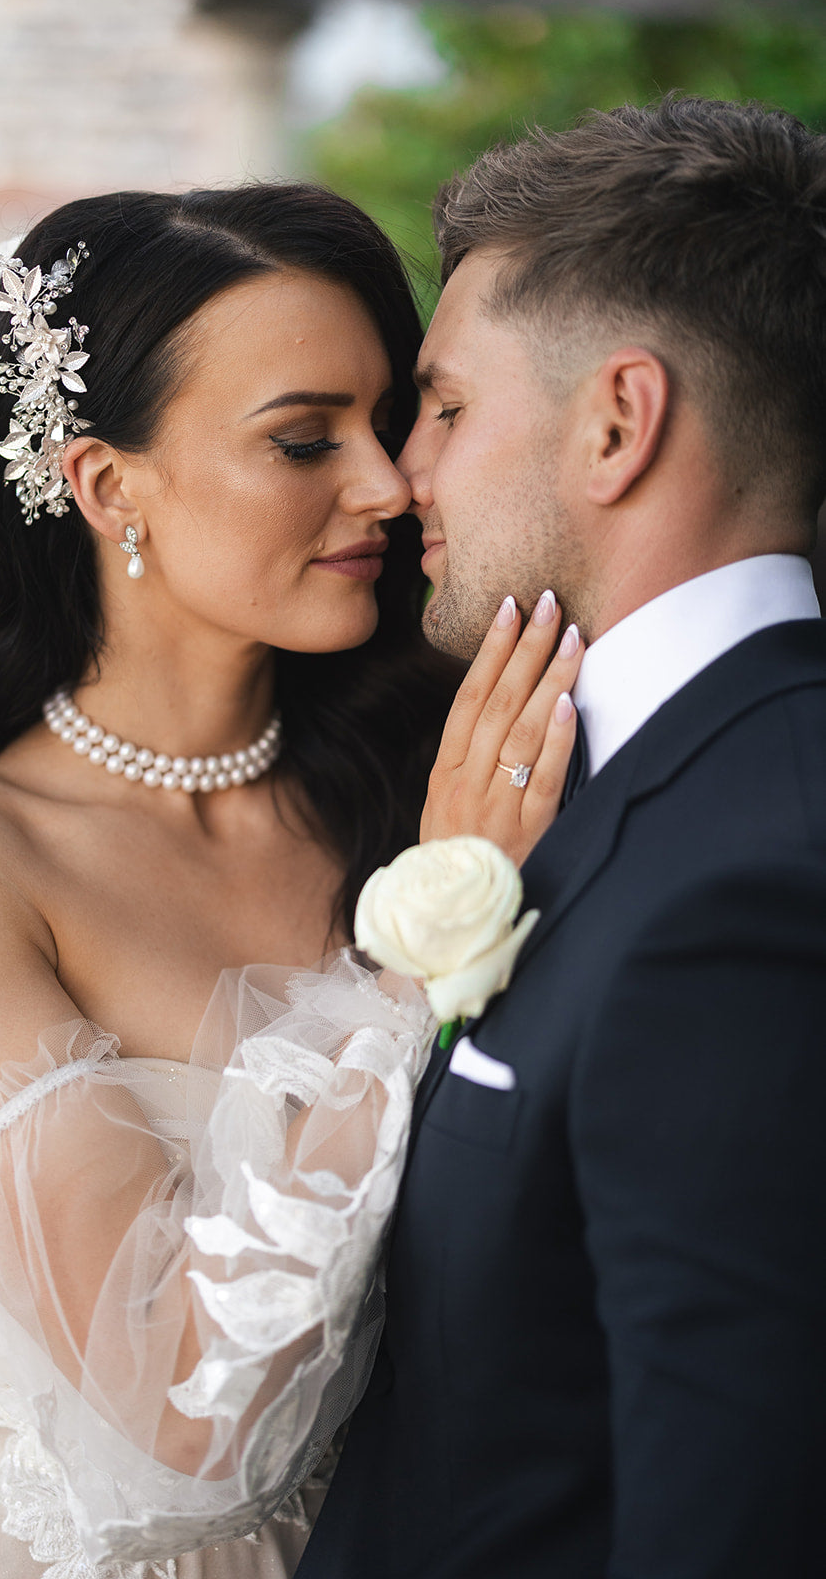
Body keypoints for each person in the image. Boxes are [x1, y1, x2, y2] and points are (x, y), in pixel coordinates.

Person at [0, 184, 573, 1579]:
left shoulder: (442, 774)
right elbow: (170, 1411)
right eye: (302, 440)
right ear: (104, 484)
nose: (389, 485)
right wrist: (418, 956)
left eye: (389, 425)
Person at [295, 96, 826, 1579]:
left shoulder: (758, 884)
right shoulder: (629, 785)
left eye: (446, 408)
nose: (402, 477)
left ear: (617, 423)